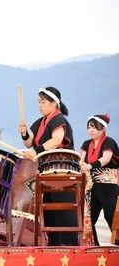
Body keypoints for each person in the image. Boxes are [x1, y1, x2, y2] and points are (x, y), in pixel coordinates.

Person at [18, 86, 79, 246]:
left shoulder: (59, 120)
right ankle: (54, 244)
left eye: (43, 102)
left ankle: (69, 246)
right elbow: (29, 142)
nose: (40, 105)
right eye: (38, 102)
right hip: (47, 172)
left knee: (64, 211)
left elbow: (57, 140)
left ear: (54, 103)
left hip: (62, 171)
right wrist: (24, 132)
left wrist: (35, 151)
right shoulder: (40, 122)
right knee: (50, 211)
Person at [80, 114, 119, 246]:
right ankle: (93, 244)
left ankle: (118, 240)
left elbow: (106, 159)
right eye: (89, 127)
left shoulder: (109, 142)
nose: (90, 130)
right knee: (88, 217)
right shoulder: (86, 144)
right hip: (91, 183)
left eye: (94, 128)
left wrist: (90, 166)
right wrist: (82, 166)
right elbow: (81, 160)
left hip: (107, 183)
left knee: (110, 213)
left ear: (102, 128)